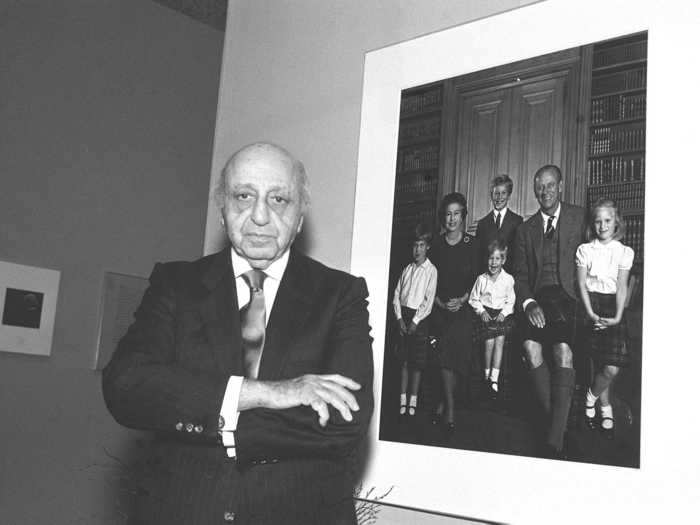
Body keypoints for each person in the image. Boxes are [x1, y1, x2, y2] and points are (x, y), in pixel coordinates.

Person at [102, 143, 374, 524]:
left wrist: (215, 416)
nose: (260, 216)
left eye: (279, 199)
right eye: (243, 196)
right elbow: (127, 386)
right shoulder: (176, 284)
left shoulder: (340, 294)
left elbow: (348, 418)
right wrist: (267, 393)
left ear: (299, 218)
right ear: (222, 209)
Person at [514, 164, 586, 458]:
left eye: (550, 185)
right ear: (534, 190)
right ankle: (559, 427)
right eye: (539, 186)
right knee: (531, 347)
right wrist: (529, 303)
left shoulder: (579, 217)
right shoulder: (524, 229)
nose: (545, 191)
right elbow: (519, 276)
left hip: (570, 298)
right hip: (539, 299)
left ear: (561, 186)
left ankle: (554, 441)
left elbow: (598, 253)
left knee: (562, 352)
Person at [576, 198, 634, 439]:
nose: (602, 226)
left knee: (611, 367)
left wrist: (618, 316)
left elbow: (622, 286)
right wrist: (590, 313)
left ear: (616, 221)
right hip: (591, 304)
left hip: (613, 307)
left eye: (608, 221)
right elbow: (581, 284)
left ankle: (590, 396)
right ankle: (605, 407)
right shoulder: (585, 250)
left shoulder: (624, 251)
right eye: (598, 221)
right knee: (599, 362)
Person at [429, 192, 477, 432]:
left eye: (457, 214)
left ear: (463, 216)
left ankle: (446, 404)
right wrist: (437, 302)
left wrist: (463, 300)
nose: (452, 219)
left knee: (455, 337)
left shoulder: (471, 244)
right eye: (448, 214)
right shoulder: (435, 245)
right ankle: (449, 403)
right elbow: (428, 281)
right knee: (444, 335)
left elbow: (479, 280)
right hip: (438, 307)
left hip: (464, 307)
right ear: (443, 218)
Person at [392, 223, 437, 417]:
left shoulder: (431, 271)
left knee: (417, 363)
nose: (417, 249)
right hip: (404, 316)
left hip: (420, 320)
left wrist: (415, 321)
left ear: (427, 247)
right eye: (414, 245)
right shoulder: (406, 269)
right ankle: (402, 401)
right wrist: (400, 319)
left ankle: (413, 403)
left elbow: (428, 299)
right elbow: (396, 295)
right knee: (404, 361)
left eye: (421, 245)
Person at [468, 239, 515, 399]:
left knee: (500, 339)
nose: (493, 263)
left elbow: (511, 301)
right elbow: (473, 299)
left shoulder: (508, 279)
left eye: (497, 259)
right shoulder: (481, 279)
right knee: (489, 341)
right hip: (486, 314)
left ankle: (495, 379)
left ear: (503, 260)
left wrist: (504, 313)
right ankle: (487, 375)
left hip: (501, 314)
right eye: (490, 258)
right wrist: (481, 312)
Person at [475, 174, 523, 275]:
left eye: (503, 193)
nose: (499, 197)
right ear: (491, 195)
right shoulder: (482, 224)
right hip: (488, 279)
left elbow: (519, 257)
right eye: (496, 193)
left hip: (509, 279)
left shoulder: (517, 221)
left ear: (509, 195)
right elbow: (478, 258)